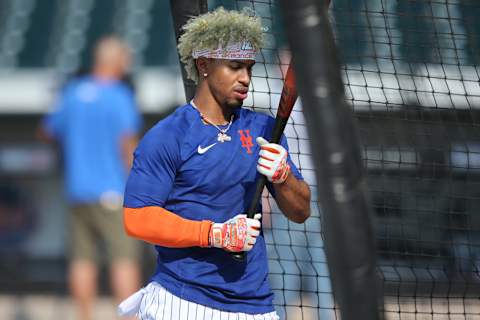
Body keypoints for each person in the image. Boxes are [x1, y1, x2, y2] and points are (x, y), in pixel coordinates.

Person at [119, 8, 311, 320]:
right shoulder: (168, 136)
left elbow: (301, 211)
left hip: (255, 305)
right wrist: (215, 234)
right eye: (235, 67)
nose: (245, 78)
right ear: (204, 65)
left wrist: (283, 176)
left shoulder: (263, 130)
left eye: (249, 67)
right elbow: (137, 219)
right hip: (182, 301)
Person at [39, 36, 143, 320]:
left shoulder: (72, 92)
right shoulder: (120, 96)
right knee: (124, 259)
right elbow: (128, 148)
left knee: (82, 261)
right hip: (113, 190)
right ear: (114, 61)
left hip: (77, 190)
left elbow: (47, 131)